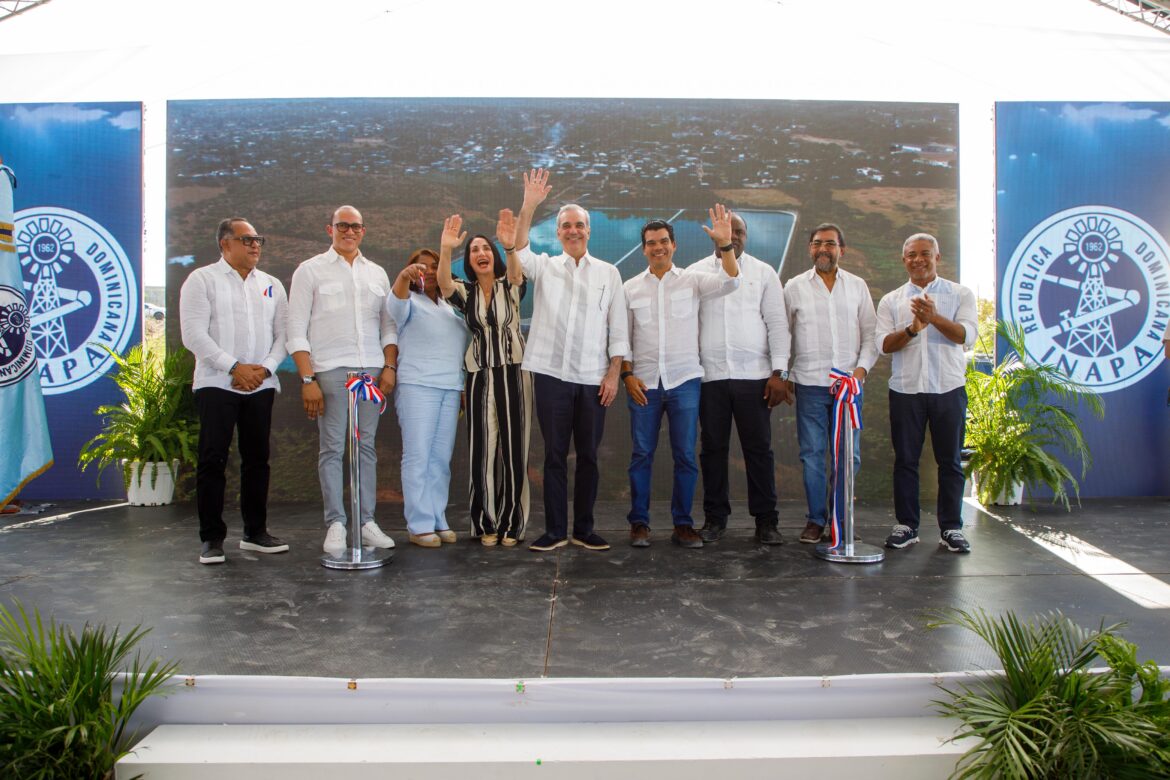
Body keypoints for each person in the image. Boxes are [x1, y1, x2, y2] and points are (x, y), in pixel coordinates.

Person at [510, 168, 629, 552]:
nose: (573, 230)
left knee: (590, 457)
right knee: (555, 455)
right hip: (550, 375)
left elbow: (619, 331)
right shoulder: (544, 267)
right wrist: (529, 205)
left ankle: (584, 529)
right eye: (566, 225)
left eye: (579, 224)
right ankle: (555, 531)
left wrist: (613, 374)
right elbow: (519, 247)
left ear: (588, 231)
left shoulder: (610, 274)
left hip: (594, 379)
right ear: (558, 233)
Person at [622, 210, 740, 549]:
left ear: (673, 245)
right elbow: (622, 337)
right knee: (642, 453)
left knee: (685, 455)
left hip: (685, 381)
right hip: (643, 382)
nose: (657, 248)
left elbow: (731, 281)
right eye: (650, 244)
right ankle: (639, 524)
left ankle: (683, 525)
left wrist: (725, 244)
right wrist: (628, 376)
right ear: (643, 249)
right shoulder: (629, 288)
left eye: (663, 242)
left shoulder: (693, 280)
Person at [286, 206, 398, 556]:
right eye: (342, 226)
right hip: (331, 371)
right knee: (332, 448)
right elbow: (296, 330)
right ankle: (336, 523)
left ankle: (366, 522)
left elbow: (387, 325)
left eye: (356, 226)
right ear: (329, 229)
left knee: (365, 448)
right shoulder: (310, 271)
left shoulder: (377, 273)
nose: (349, 231)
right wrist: (307, 378)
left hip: (369, 373)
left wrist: (390, 366)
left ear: (363, 231)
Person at [180, 217, 289, 564]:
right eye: (248, 239)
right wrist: (233, 367)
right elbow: (193, 334)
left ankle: (255, 533)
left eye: (259, 239)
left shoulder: (271, 285)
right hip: (217, 383)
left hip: (262, 383)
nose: (256, 245)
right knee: (213, 459)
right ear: (225, 243)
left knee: (258, 460)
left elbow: (284, 335)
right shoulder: (202, 280)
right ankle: (211, 539)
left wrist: (266, 368)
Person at [688, 211, 791, 545]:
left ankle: (766, 522)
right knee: (713, 449)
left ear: (746, 236)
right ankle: (715, 519)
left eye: (739, 231)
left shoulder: (764, 272)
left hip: (755, 377)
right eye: (727, 231)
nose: (733, 236)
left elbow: (778, 324)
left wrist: (780, 373)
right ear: (713, 234)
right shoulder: (696, 273)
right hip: (710, 378)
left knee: (758, 450)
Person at [876, 233, 976, 553]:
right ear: (903, 259)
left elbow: (965, 336)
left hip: (948, 388)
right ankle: (907, 526)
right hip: (906, 390)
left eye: (924, 254)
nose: (918, 259)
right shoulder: (891, 300)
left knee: (950, 462)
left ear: (937, 256)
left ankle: (951, 529)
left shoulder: (960, 294)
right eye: (911, 255)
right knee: (906, 461)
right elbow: (884, 346)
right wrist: (912, 328)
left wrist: (933, 318)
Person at [438, 213, 532, 547]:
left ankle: (512, 522)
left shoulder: (512, 285)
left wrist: (509, 245)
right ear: (470, 260)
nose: (480, 252)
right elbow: (445, 285)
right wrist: (446, 249)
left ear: (493, 255)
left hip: (513, 370)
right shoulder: (465, 292)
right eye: (474, 249)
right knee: (482, 447)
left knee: (512, 448)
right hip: (478, 375)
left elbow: (518, 272)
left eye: (485, 248)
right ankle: (484, 523)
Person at [783, 223, 878, 544]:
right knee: (812, 455)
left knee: (848, 457)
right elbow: (782, 335)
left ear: (842, 249)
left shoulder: (857, 286)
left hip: (849, 388)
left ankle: (841, 519)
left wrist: (859, 374)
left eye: (830, 244)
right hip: (809, 384)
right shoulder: (794, 287)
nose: (823, 249)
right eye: (817, 244)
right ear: (810, 249)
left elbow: (870, 336)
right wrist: (781, 374)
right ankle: (815, 520)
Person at [388, 248, 469, 547]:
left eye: (436, 266)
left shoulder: (450, 306)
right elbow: (394, 305)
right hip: (417, 386)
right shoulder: (407, 301)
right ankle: (419, 524)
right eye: (422, 267)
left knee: (439, 459)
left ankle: (437, 518)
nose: (431, 271)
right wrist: (402, 278)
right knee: (418, 456)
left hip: (449, 388)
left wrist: (460, 387)